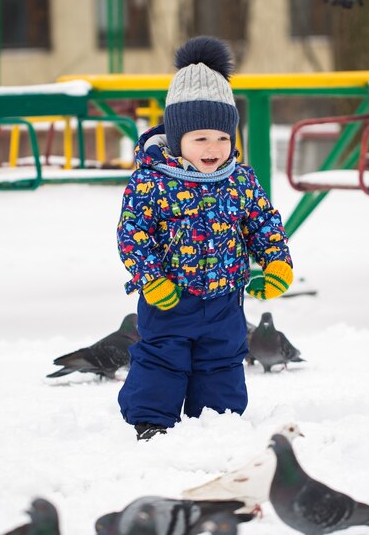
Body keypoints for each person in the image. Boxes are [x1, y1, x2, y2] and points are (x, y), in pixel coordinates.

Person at [117, 36, 293, 441]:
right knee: (162, 359)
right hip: (169, 298)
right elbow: (133, 234)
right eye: (201, 139)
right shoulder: (152, 181)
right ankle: (151, 421)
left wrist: (276, 261)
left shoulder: (240, 179)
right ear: (177, 138)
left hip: (224, 300)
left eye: (223, 138)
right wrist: (149, 279)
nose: (214, 148)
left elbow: (262, 222)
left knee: (222, 361)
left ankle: (217, 422)